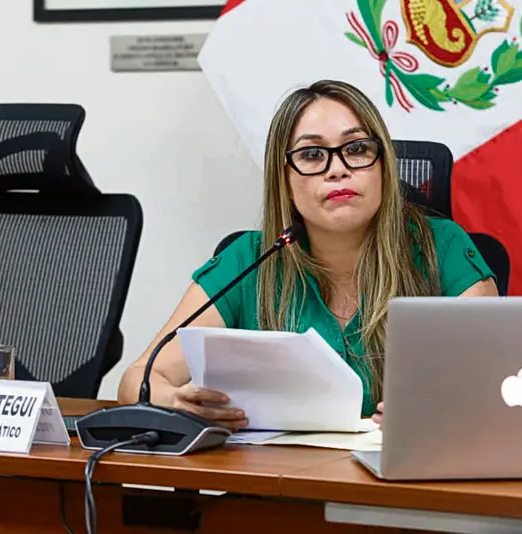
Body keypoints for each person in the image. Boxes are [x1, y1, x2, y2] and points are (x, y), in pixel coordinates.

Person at [117, 79, 498, 430]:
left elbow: (497, 379)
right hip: (278, 488)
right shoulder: (248, 260)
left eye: (357, 149)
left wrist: (438, 409)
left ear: (383, 166)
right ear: (283, 179)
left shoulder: (440, 247)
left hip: (401, 484)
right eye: (313, 155)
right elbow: (138, 380)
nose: (337, 170)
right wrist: (173, 400)